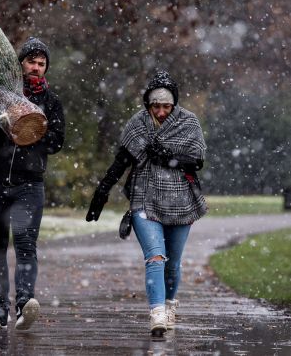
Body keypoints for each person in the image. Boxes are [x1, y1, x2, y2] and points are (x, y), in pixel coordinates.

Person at [85, 70, 207, 336]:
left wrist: (169, 157)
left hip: (180, 202)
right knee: (155, 257)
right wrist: (102, 192)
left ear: (174, 104)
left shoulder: (189, 123)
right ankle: (157, 314)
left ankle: (170, 305)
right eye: (155, 106)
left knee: (172, 263)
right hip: (144, 201)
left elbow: (197, 160)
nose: (161, 112)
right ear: (147, 104)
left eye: (166, 106)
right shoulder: (137, 125)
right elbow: (121, 162)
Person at [0, 37, 65, 330]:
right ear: (20, 64)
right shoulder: (0, 94)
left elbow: (57, 141)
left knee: (25, 245)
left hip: (28, 186)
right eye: (31, 62)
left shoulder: (51, 101)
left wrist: (32, 129)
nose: (36, 67)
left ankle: (24, 304)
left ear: (46, 68)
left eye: (41, 63)